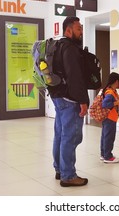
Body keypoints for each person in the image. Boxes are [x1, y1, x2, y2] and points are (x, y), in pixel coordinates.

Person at [47, 16, 89, 187]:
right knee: (70, 137)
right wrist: (83, 100)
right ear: (68, 30)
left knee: (60, 135)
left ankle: (59, 169)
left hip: (58, 97)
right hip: (70, 99)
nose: (81, 32)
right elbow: (74, 77)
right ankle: (68, 175)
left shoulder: (57, 46)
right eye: (78, 29)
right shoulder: (70, 48)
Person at [100, 72, 119, 163]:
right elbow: (105, 104)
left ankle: (103, 154)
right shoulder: (110, 93)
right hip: (110, 118)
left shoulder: (110, 91)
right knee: (109, 137)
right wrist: (116, 103)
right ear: (117, 81)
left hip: (108, 118)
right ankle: (108, 156)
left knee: (105, 136)